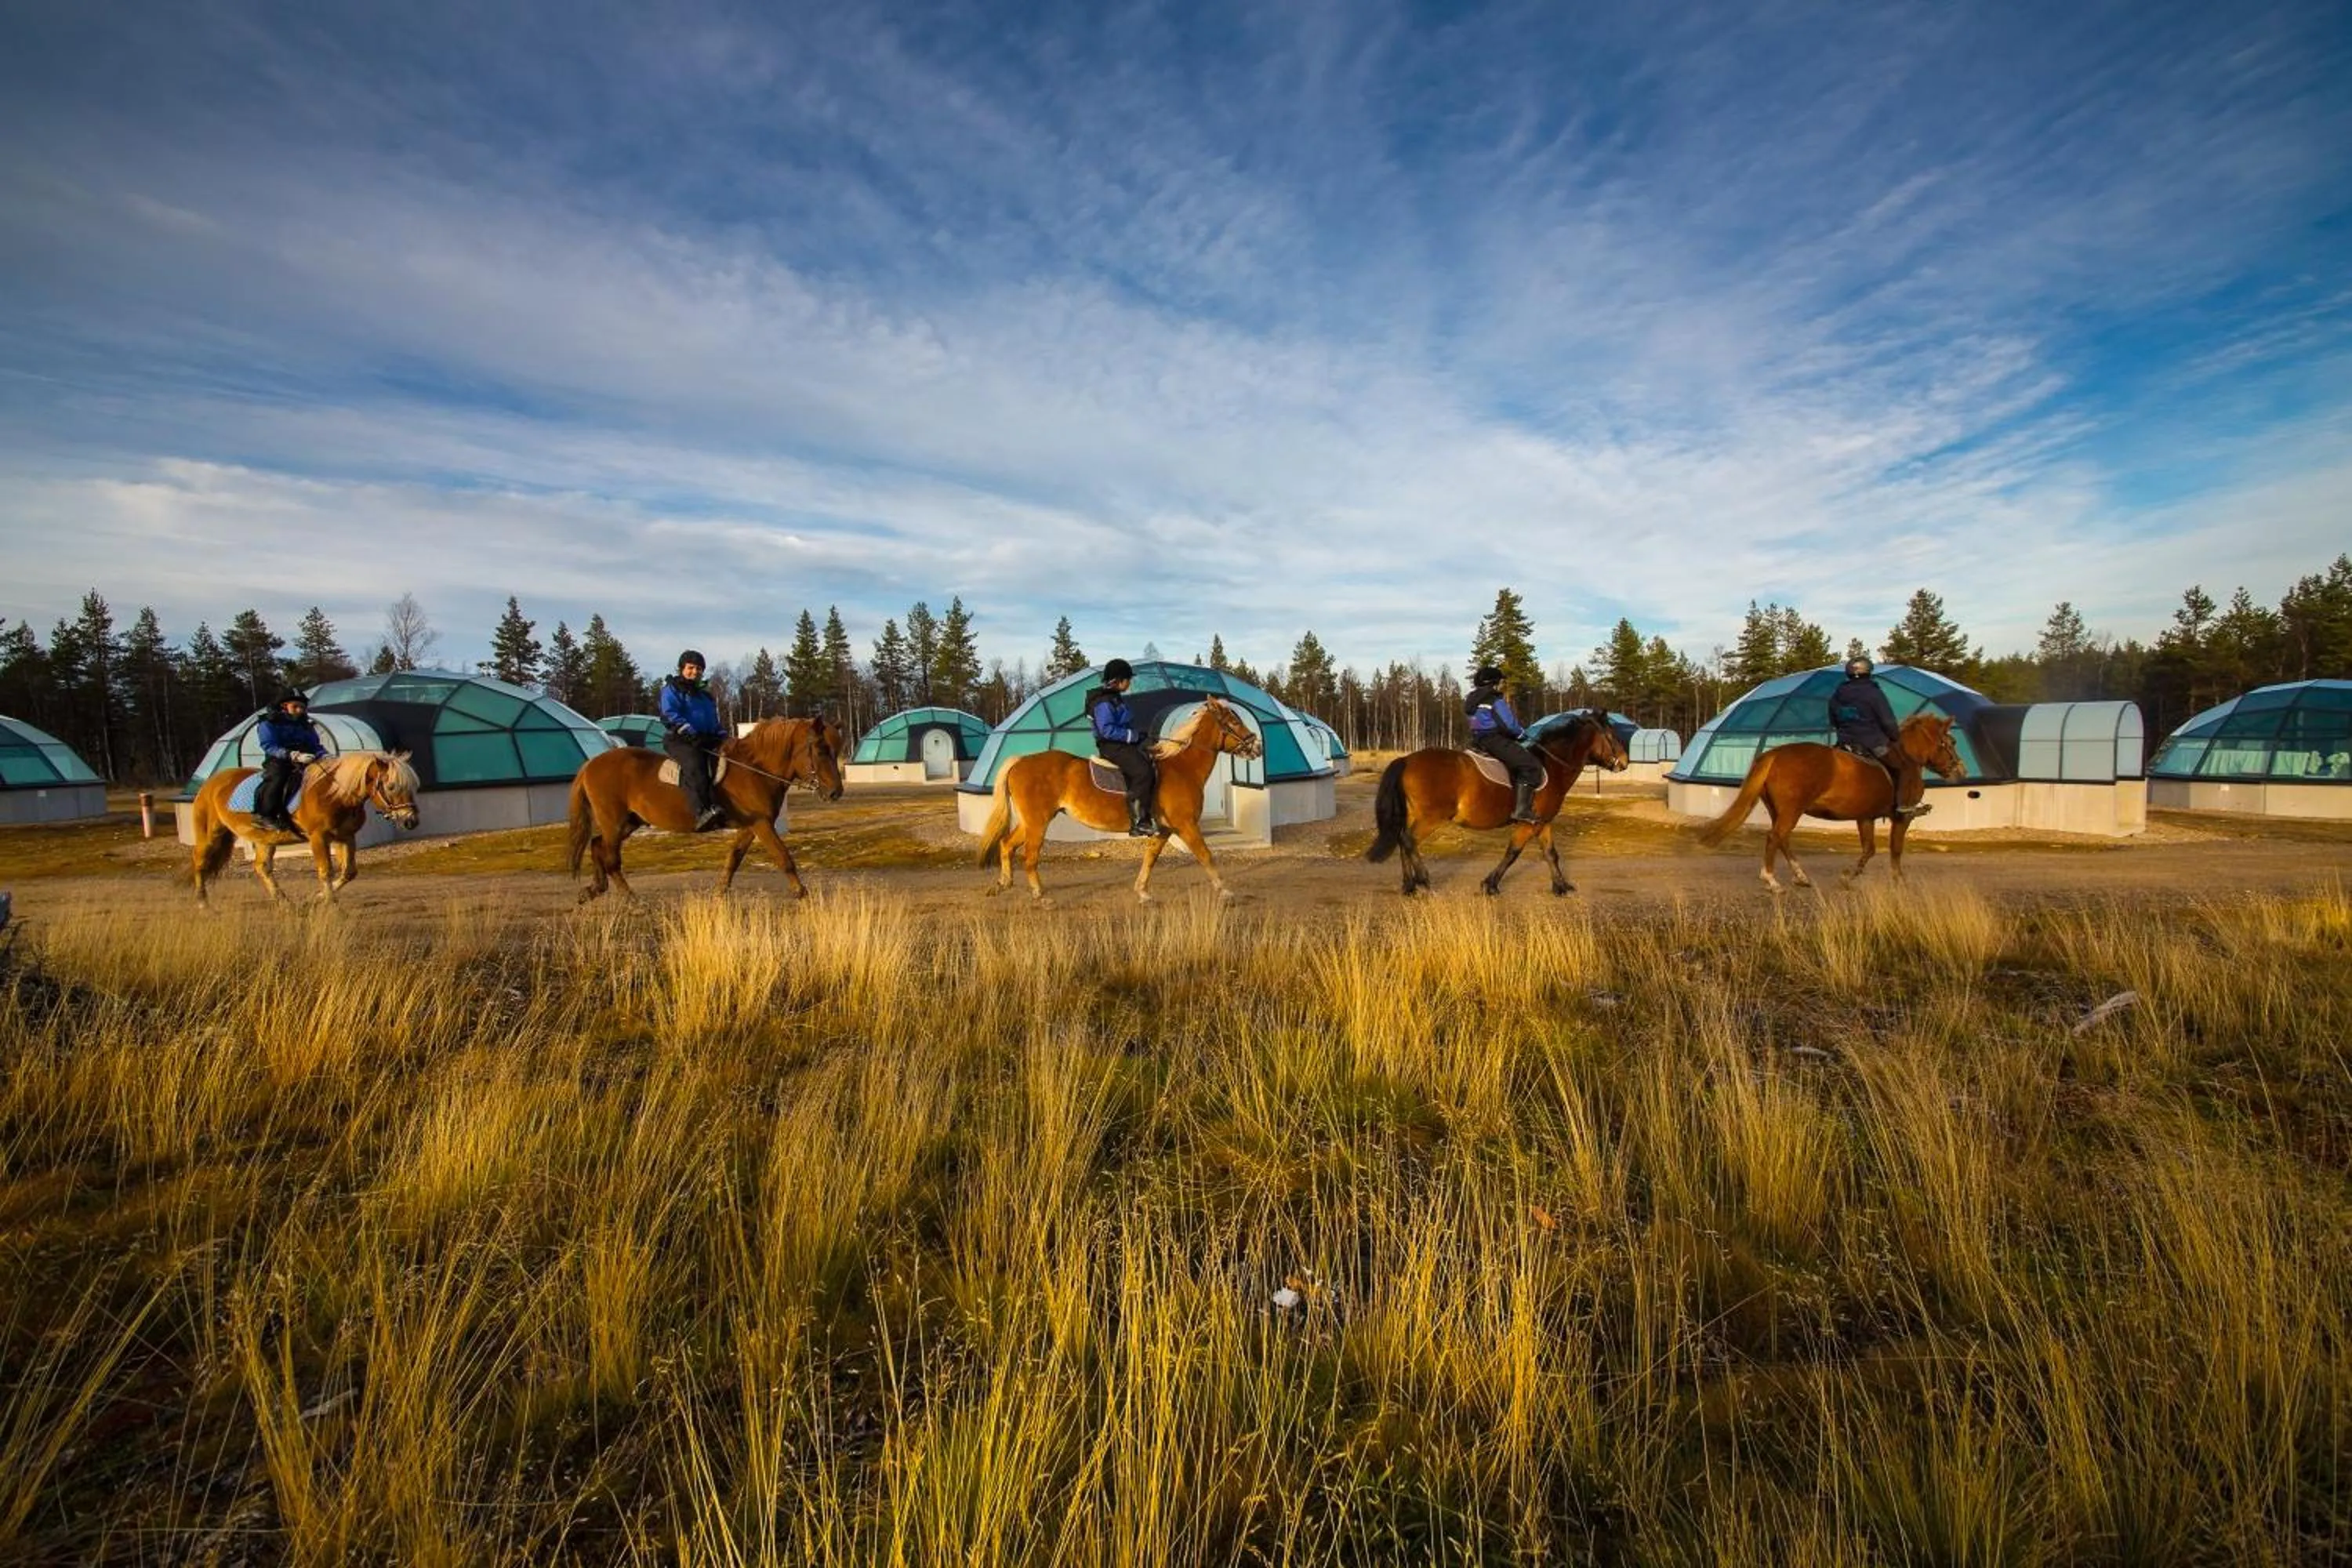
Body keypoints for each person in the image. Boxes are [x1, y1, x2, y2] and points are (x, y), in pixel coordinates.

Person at [1829, 654, 1931, 820]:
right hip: (1872, 743)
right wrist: (1895, 737)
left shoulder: (1837, 695)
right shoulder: (1873, 693)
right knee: (1906, 766)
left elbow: (1834, 720)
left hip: (1844, 743)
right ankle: (1903, 807)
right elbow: (1888, 721)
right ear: (1868, 672)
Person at [659, 650, 728, 830]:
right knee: (695, 763)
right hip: (680, 739)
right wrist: (688, 731)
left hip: (704, 739)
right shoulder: (671, 689)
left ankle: (723, 806)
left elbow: (713, 721)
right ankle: (700, 812)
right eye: (691, 668)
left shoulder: (705, 696)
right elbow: (670, 713)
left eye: (699, 669)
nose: (695, 672)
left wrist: (723, 735)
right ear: (682, 668)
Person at [1465, 665, 1542, 824]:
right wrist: (1521, 734)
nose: (1501, 685)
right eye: (1500, 682)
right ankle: (1522, 810)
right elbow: (1509, 725)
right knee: (1530, 766)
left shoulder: (1472, 701)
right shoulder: (1495, 700)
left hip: (1477, 740)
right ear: (1494, 683)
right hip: (1495, 740)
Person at [1090, 659, 1158, 837]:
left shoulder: (1114, 698)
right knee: (1144, 772)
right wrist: (1133, 736)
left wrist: (1140, 735)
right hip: (1112, 746)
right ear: (1119, 680)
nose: (1130, 683)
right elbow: (1107, 730)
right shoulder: (1104, 701)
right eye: (1128, 679)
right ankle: (1138, 819)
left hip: (1121, 743)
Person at [252, 688, 328, 833]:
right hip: (279, 760)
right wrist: (292, 755)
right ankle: (265, 815)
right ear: (284, 706)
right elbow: (269, 745)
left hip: (307, 760)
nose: (299, 710)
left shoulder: (305, 725)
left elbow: (315, 745)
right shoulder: (268, 723)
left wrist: (324, 755)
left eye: (302, 707)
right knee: (278, 778)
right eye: (295, 707)